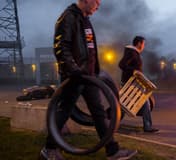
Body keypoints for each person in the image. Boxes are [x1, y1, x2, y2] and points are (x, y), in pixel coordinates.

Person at [40, 0, 137, 160]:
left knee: (98, 112)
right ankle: (49, 149)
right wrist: (74, 71)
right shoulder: (68, 17)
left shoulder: (85, 20)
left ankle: (112, 151)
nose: (99, 4)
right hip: (75, 77)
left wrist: (96, 72)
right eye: (97, 1)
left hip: (89, 77)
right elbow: (60, 48)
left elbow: (89, 50)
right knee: (64, 111)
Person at [119, 36, 159, 133]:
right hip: (130, 85)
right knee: (139, 103)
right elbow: (121, 65)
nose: (144, 46)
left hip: (134, 84)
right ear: (139, 43)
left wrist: (138, 74)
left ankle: (110, 120)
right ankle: (147, 127)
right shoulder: (131, 53)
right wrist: (134, 71)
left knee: (126, 105)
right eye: (143, 44)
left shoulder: (134, 53)